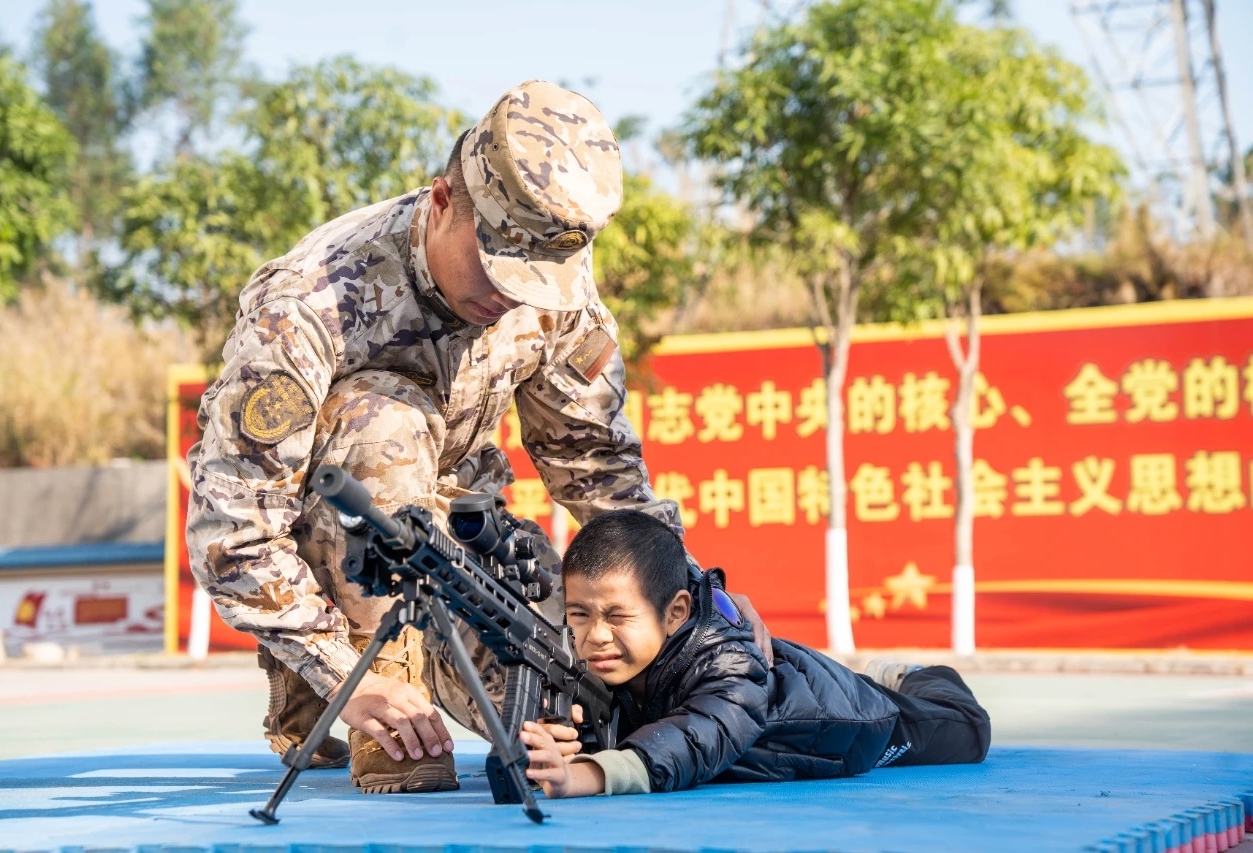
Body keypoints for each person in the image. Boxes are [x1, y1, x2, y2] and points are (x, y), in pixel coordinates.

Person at [185, 80, 772, 796]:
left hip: (463, 538)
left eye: (537, 280)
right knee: (383, 420)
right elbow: (232, 532)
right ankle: (378, 691)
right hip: (343, 529)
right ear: (442, 202)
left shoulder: (554, 282)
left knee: (599, 702)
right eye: (499, 267)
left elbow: (597, 466)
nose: (515, 297)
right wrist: (345, 673)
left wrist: (690, 589)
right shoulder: (309, 305)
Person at [519, 510, 991, 797]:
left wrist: (584, 776)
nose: (595, 636)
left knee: (968, 730)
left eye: (618, 616)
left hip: (854, 717)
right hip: (794, 674)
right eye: (580, 614)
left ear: (675, 612)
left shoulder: (728, 668)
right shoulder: (612, 658)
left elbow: (698, 736)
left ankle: (912, 676)